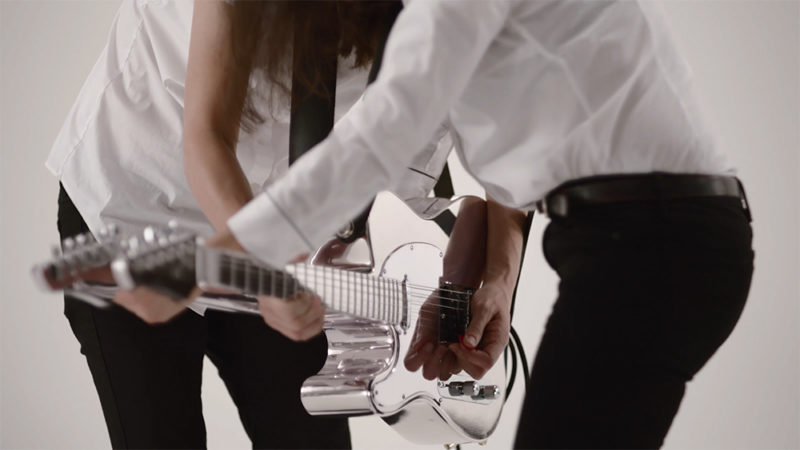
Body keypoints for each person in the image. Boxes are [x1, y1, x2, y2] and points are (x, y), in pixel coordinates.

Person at [111, 0, 752, 448]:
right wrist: (486, 250)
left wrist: (208, 260)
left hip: (648, 242)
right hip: (655, 236)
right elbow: (525, 134)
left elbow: (378, 137)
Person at [48, 0, 492, 447]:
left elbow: (426, 166)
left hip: (283, 231)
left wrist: (469, 285)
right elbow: (207, 138)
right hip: (138, 210)